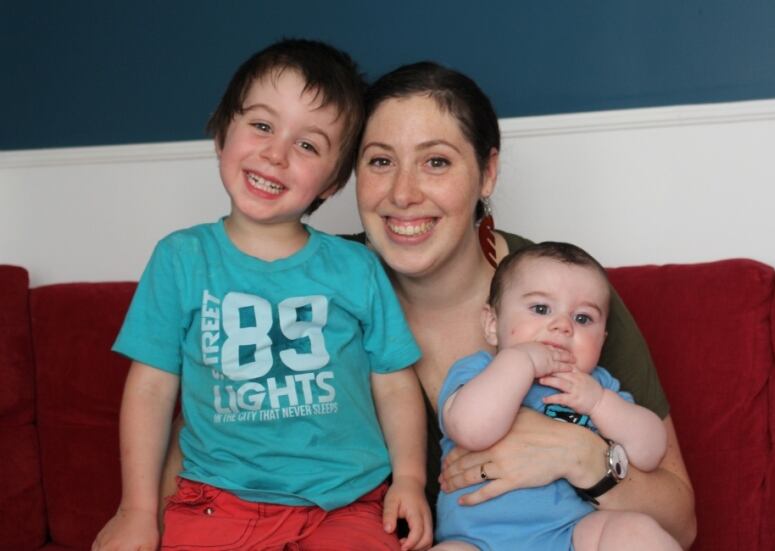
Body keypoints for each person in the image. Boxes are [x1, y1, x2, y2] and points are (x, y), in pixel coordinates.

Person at [161, 61, 697, 547]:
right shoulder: (313, 283)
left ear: (487, 173)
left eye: (436, 161)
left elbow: (680, 519)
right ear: (346, 174)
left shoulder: (567, 296)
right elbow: (207, 433)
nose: (403, 193)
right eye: (380, 161)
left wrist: (580, 457)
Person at [92, 39, 432, 551]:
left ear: (333, 183)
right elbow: (150, 391)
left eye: (308, 145)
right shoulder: (181, 258)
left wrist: (408, 479)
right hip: (217, 502)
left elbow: (394, 383)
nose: (275, 154)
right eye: (262, 125)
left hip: (346, 504)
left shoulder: (355, 267)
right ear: (221, 129)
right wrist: (137, 510)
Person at [433, 242, 680, 550]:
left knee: (635, 531)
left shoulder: (598, 386)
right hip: (478, 542)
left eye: (583, 318)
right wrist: (521, 361)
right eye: (540, 309)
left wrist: (600, 403)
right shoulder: (477, 372)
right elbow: (470, 428)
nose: (563, 326)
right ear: (492, 324)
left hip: (570, 536)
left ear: (602, 340)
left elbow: (651, 451)